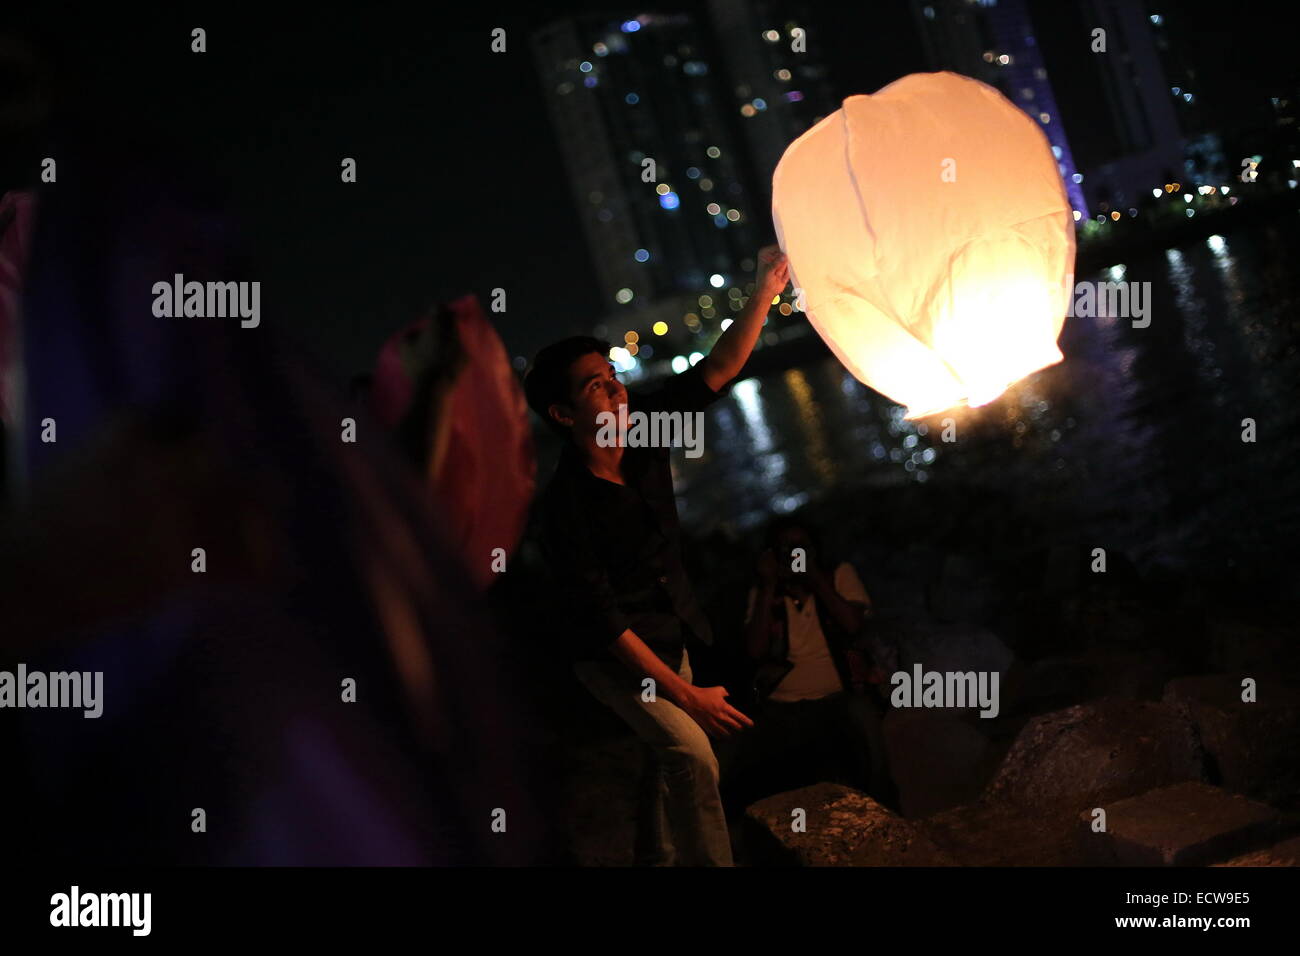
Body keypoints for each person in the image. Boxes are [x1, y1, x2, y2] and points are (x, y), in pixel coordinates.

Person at [527, 246, 789, 866]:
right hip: (612, 656)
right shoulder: (565, 508)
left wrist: (765, 289)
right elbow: (603, 622)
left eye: (611, 375)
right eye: (595, 386)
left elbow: (720, 368)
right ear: (564, 415)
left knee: (668, 762)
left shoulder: (645, 429)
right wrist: (688, 695)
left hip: (667, 632)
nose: (615, 389)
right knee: (693, 755)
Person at [724, 514, 895, 810]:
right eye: (786, 547)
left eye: (801, 546)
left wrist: (815, 576)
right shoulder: (766, 592)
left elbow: (852, 624)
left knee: (872, 759)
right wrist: (767, 587)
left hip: (839, 697)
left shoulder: (839, 575)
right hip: (781, 703)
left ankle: (888, 817)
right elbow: (755, 650)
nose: (794, 554)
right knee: (747, 772)